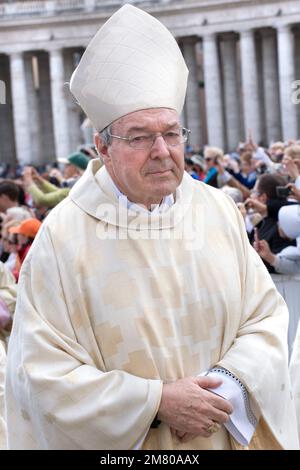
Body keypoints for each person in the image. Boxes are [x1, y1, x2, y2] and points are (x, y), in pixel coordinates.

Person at [5, 4, 298, 450]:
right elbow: (40, 372)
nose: (162, 150)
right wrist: (156, 402)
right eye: (140, 136)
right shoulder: (62, 236)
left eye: (172, 133)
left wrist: (228, 385)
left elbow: (265, 317)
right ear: (102, 147)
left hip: (221, 434)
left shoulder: (216, 209)